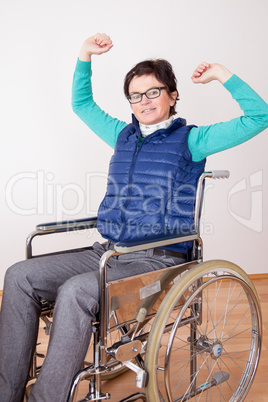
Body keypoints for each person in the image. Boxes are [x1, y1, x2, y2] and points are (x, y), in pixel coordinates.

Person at [0, 33, 267, 402]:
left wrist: (223, 75)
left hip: (157, 259)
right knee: (19, 275)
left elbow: (260, 117)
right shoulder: (122, 135)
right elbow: (82, 104)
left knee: (76, 290)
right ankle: (7, 393)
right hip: (108, 250)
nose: (144, 101)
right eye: (136, 95)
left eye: (153, 92)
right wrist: (84, 56)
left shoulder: (192, 140)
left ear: (173, 95)